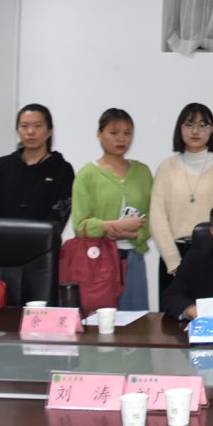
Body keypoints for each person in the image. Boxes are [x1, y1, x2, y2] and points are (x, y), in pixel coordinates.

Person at [149, 103, 213, 291]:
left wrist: (210, 259)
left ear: (212, 129)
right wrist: (173, 261)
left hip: (210, 255)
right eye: (189, 124)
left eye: (203, 125)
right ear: (179, 128)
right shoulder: (167, 167)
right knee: (173, 309)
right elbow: (157, 217)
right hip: (172, 255)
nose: (195, 131)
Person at [71, 108, 152, 311]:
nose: (121, 139)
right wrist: (112, 227)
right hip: (98, 260)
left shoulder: (142, 172)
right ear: (99, 134)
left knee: (136, 321)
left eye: (127, 133)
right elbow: (80, 225)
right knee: (99, 320)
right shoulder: (87, 174)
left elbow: (153, 215)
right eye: (114, 133)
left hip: (134, 258)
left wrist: (135, 232)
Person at [0, 103, 74, 227]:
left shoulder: (62, 170)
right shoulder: (1, 166)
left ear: (49, 131)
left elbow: (59, 214)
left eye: (37, 126)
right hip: (1, 237)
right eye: (24, 126)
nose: (30, 132)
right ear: (17, 130)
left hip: (44, 238)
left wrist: (41, 234)